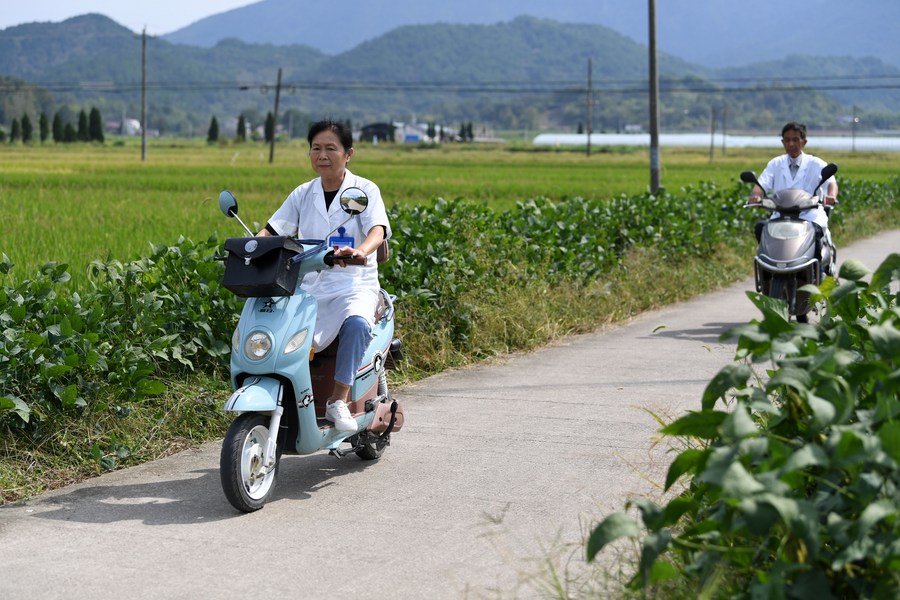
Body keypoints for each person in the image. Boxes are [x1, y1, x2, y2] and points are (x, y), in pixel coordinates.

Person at [257, 120, 391, 432]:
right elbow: (274, 229)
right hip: (308, 285)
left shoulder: (363, 191)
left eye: (331, 148)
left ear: (348, 154)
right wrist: (250, 246)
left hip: (353, 285)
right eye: (316, 148)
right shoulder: (303, 194)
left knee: (357, 324)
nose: (322, 155)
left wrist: (362, 250)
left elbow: (377, 229)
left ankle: (338, 401)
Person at [748, 122, 838, 273]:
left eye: (795, 140)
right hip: (780, 215)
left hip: (809, 215)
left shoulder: (815, 163)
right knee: (761, 228)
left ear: (804, 142)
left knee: (816, 233)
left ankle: (818, 271)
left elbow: (832, 183)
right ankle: (767, 271)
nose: (791, 144)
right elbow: (761, 185)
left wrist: (831, 196)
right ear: (782, 142)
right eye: (787, 140)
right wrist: (756, 196)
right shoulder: (775, 163)